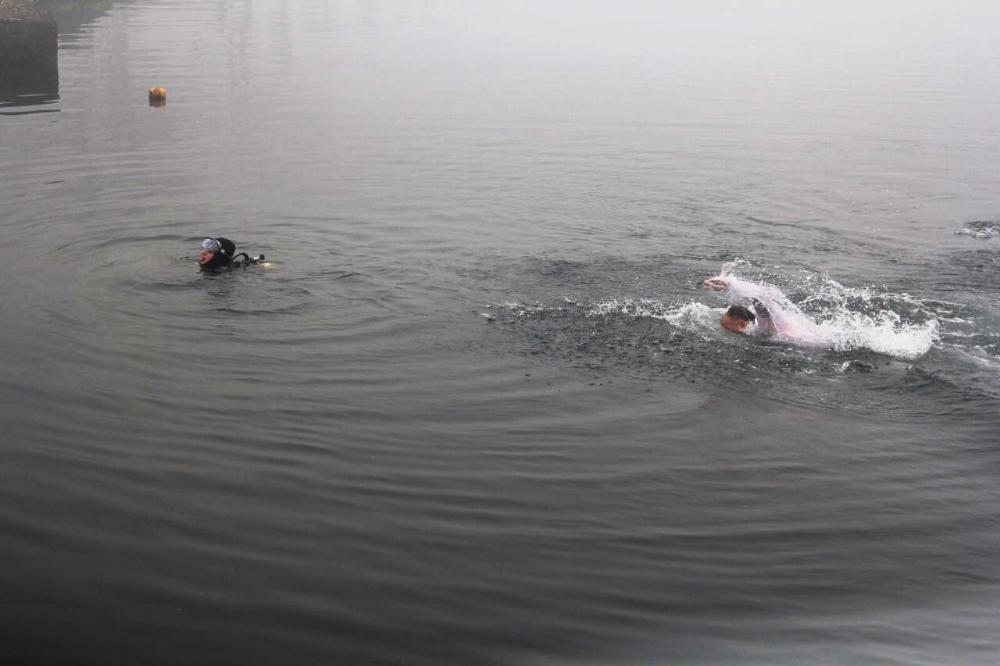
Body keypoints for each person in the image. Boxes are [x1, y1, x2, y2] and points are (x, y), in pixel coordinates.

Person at [703, 274, 827, 345]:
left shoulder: (767, 323)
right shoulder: (761, 324)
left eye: (729, 329)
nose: (729, 332)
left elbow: (760, 296)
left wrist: (730, 285)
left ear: (742, 324)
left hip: (817, 344)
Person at [199, 237, 265, 271]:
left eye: (210, 252)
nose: (203, 253)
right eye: (205, 250)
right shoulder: (205, 266)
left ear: (220, 256)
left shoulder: (232, 271)